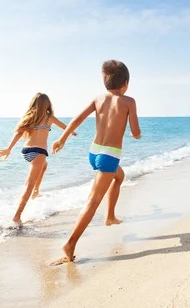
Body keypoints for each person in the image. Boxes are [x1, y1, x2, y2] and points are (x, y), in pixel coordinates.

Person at [52, 60, 141, 262]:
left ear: (105, 82)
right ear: (126, 82)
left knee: (120, 176)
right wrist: (137, 134)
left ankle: (110, 216)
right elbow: (135, 132)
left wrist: (61, 138)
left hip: (94, 152)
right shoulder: (129, 102)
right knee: (93, 200)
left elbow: (76, 119)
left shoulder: (98, 99)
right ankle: (70, 243)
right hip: (109, 155)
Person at [0, 93, 75, 225]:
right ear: (47, 104)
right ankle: (17, 215)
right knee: (29, 184)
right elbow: (65, 127)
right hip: (39, 152)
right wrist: (71, 132)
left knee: (44, 166)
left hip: (27, 151)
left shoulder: (30, 117)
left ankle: (36, 192)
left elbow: (18, 133)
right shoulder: (49, 117)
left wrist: (9, 148)